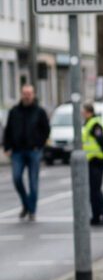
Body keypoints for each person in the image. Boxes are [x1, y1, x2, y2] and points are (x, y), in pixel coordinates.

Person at [2, 84, 50, 221]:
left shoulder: (39, 112)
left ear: (33, 95)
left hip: (34, 151)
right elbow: (8, 130)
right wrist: (7, 147)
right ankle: (26, 203)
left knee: (33, 182)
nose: (27, 96)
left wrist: (39, 145)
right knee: (17, 178)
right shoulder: (14, 111)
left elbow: (46, 130)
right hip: (17, 151)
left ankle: (32, 210)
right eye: (25, 93)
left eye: (29, 93)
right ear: (21, 94)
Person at [82, 102, 103, 226]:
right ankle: (98, 216)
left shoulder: (95, 124)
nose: (82, 113)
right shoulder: (89, 123)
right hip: (92, 160)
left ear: (88, 112)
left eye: (83, 111)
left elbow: (102, 142)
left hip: (96, 160)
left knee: (95, 190)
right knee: (94, 190)